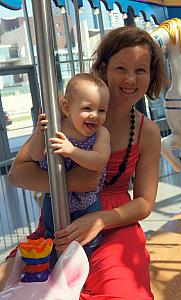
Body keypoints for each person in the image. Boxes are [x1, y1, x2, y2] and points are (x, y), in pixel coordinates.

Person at [1, 26, 167, 299]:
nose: (130, 79)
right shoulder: (60, 117)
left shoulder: (146, 132)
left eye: (141, 70)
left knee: (122, 291)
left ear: (151, 75)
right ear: (103, 68)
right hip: (61, 220)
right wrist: (70, 183)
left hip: (113, 224)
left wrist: (101, 219)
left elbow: (144, 202)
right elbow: (17, 174)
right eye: (121, 68)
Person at [29, 73, 110, 264]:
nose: (95, 116)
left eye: (102, 110)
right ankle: (56, 272)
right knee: (54, 238)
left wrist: (72, 151)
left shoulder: (101, 133)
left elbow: (99, 160)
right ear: (66, 107)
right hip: (54, 199)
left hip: (86, 200)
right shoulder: (56, 127)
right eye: (87, 108)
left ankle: (84, 271)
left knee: (88, 241)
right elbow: (34, 155)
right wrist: (39, 134)